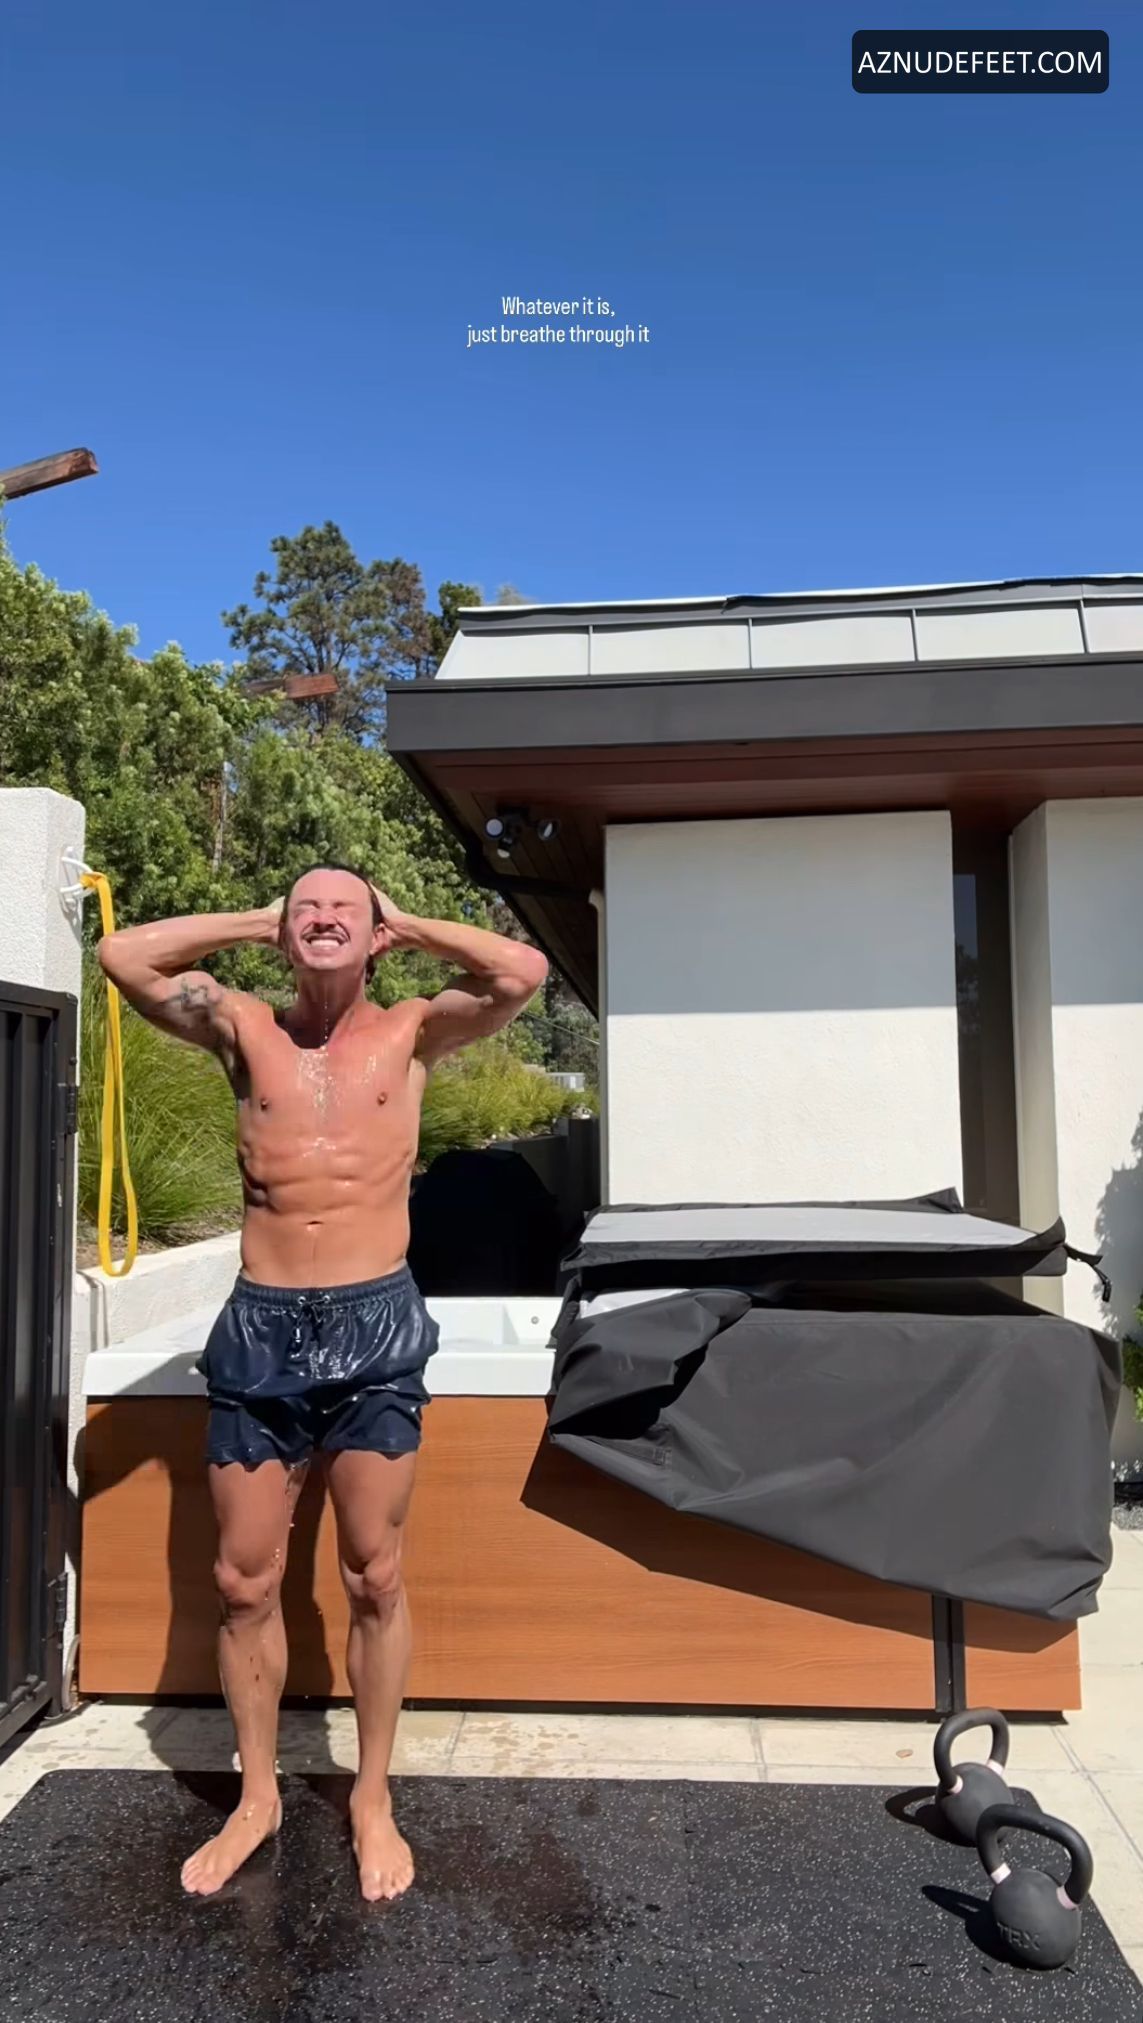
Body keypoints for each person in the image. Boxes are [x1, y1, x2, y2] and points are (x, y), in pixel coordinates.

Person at [98, 867, 547, 1901]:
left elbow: (520, 970)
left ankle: (371, 1794)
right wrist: (263, 918)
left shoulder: (415, 1029)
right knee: (242, 1580)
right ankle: (257, 1796)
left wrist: (406, 923)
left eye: (345, 907)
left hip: (375, 1320)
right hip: (262, 1326)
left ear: (376, 932)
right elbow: (124, 954)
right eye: (308, 908)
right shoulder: (242, 1026)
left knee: (374, 1573)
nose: (324, 919)